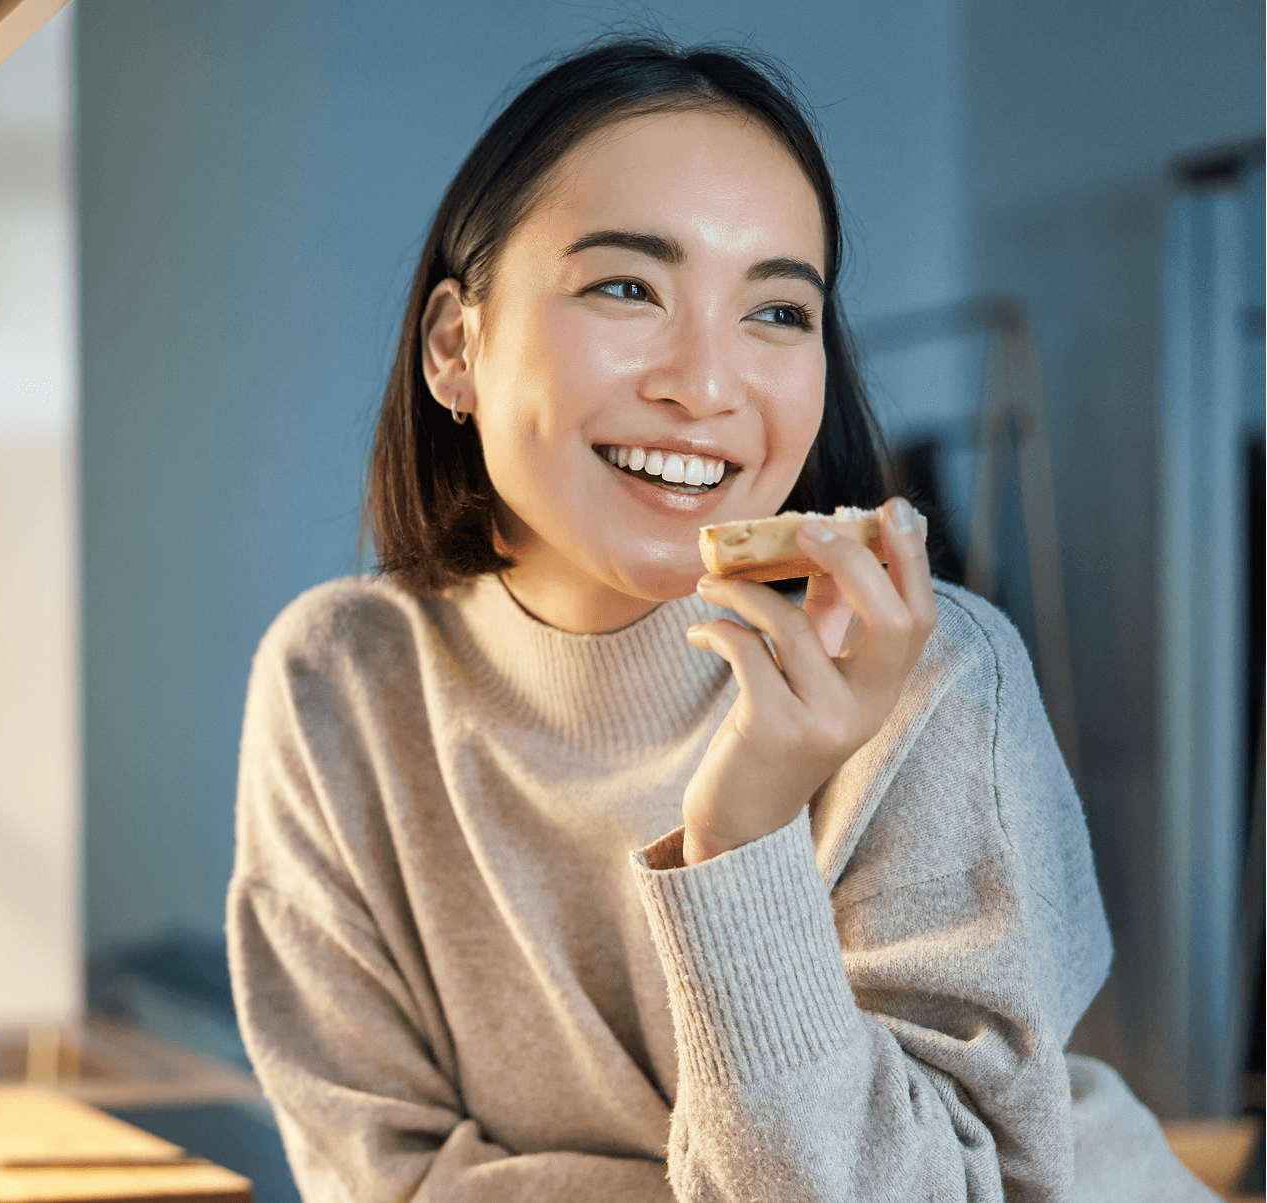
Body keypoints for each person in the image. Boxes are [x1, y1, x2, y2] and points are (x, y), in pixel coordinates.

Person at [225, 37, 1214, 1203]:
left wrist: (742, 835)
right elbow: (375, 1178)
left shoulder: (933, 674)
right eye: (626, 287)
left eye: (779, 311)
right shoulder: (341, 681)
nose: (705, 384)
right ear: (457, 345)